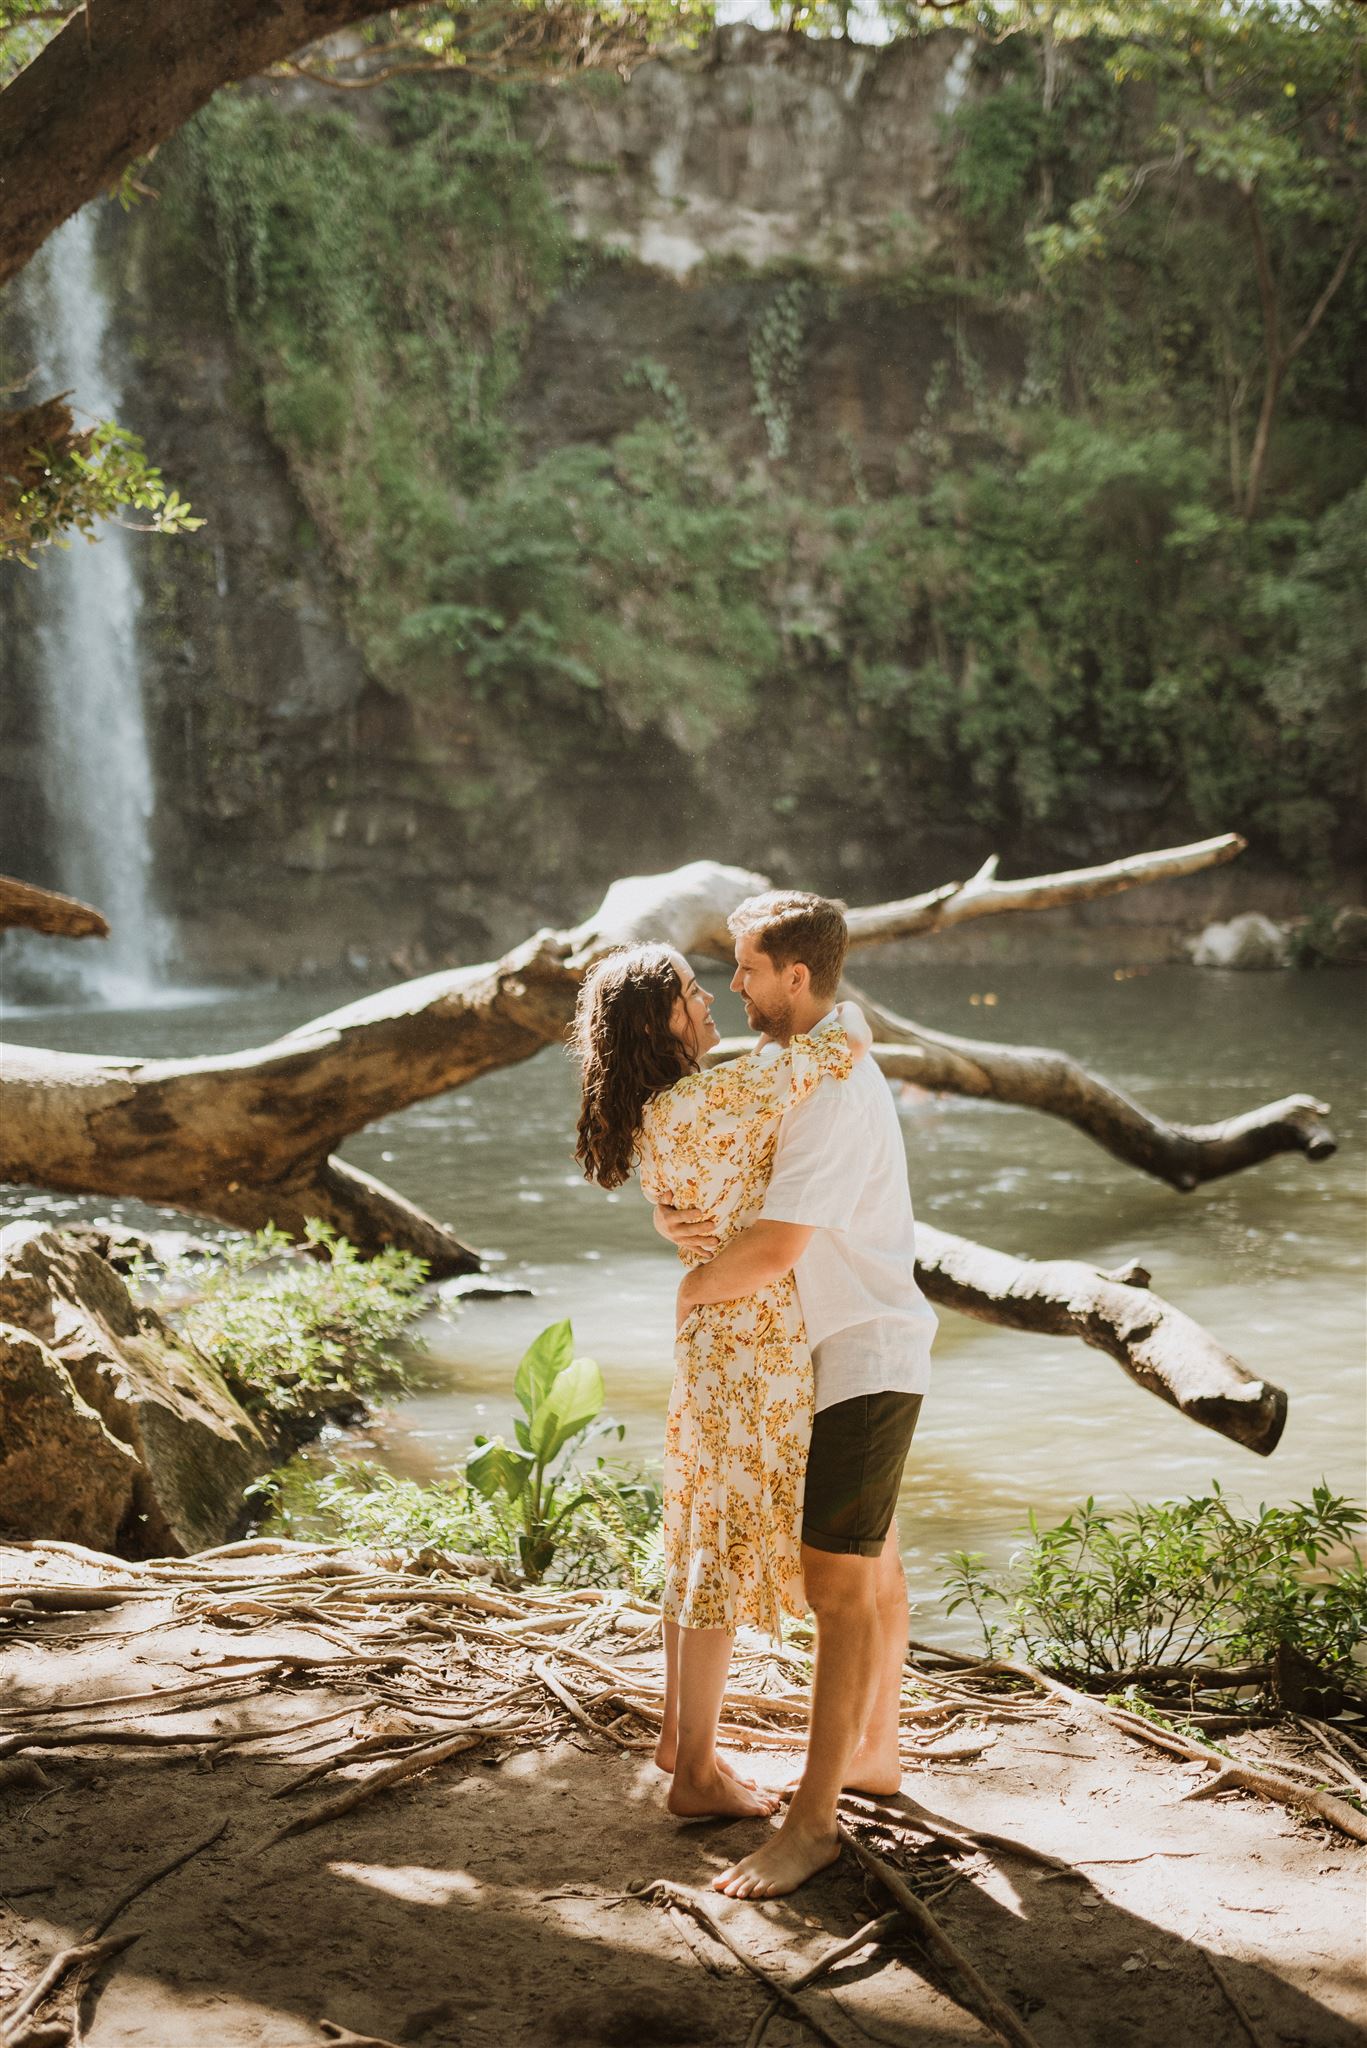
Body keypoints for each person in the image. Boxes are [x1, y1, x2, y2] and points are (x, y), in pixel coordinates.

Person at [656, 890, 937, 1898]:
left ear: (796, 977)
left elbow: (776, 1246)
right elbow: (720, 1153)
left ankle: (812, 1824)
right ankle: (871, 1755)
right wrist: (678, 1217)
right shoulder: (806, 1060)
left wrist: (691, 1285)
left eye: (744, 968)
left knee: (834, 1585)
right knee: (875, 1569)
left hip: (860, 1354)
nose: (731, 984)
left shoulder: (827, 1085)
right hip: (847, 1351)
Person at [572, 942, 871, 1822]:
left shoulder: (663, 1107)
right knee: (716, 1551)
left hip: (717, 1336)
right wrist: (815, 992)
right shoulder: (716, 1096)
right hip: (747, 1334)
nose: (712, 1001)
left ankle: (681, 1743)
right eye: (691, 995)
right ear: (655, 1025)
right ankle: (695, 1775)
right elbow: (840, 1040)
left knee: (698, 1535)